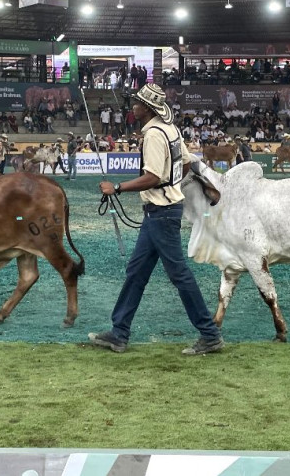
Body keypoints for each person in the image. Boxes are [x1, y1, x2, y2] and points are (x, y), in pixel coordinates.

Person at [89, 83, 224, 356]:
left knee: (180, 275)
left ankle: (209, 334)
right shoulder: (170, 129)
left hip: (161, 212)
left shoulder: (152, 134)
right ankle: (119, 333)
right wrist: (171, 181)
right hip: (162, 211)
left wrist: (116, 188)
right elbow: (186, 162)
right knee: (136, 272)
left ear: (148, 108)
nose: (133, 107)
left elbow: (151, 177)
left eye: (137, 104)